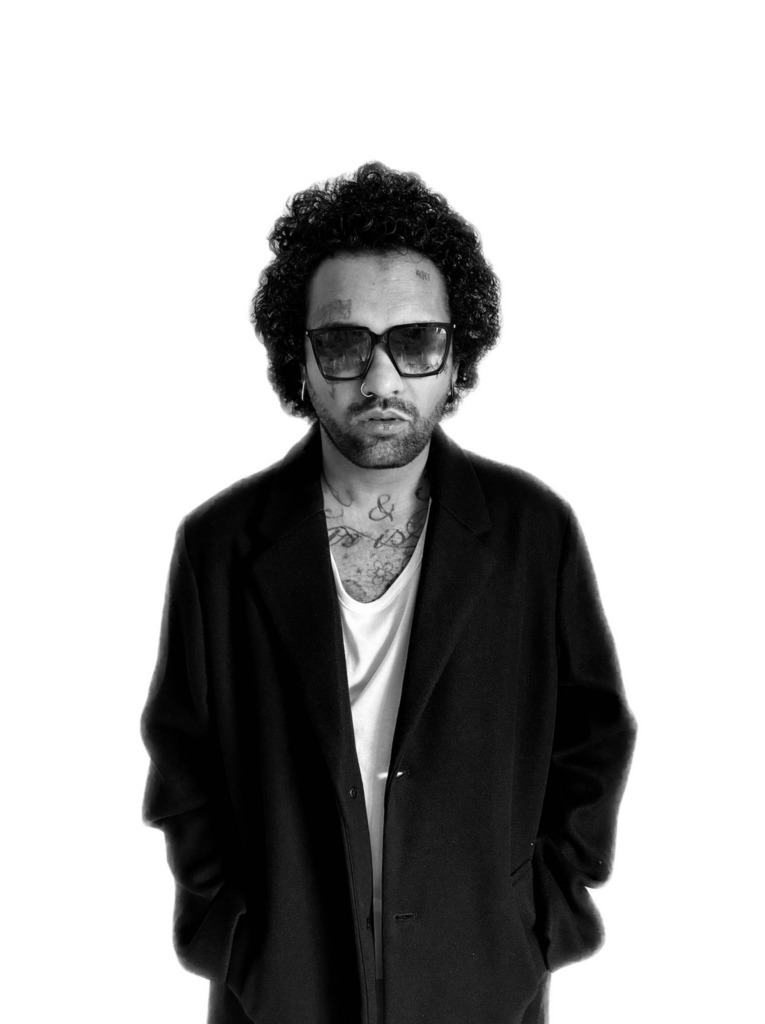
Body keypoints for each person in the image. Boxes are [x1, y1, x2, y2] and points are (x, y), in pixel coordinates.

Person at [140, 162, 636, 1024]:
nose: (379, 381)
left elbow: (594, 740)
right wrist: (236, 938)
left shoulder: (534, 534)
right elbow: (183, 761)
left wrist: (537, 922)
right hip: (283, 993)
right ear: (299, 357)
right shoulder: (218, 547)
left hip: (480, 985)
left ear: (456, 355)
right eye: (343, 344)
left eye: (415, 342)